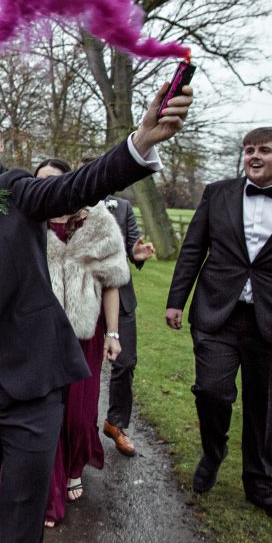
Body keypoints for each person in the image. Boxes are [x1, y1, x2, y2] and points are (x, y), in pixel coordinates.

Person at [0, 81, 192, 543]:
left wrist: (140, 142)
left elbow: (74, 187)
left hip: (32, 385)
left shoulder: (0, 197)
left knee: (23, 513)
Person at [166, 127, 272, 528]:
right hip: (217, 314)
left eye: (264, 150)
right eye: (248, 150)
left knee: (264, 404)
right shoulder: (218, 193)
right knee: (211, 390)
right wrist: (176, 300)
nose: (254, 157)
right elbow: (193, 248)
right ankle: (213, 452)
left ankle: (260, 485)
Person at [32, 157, 129, 527]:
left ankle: (75, 466)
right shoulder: (29, 222)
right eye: (39, 181)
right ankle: (49, 483)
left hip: (84, 335)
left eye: (54, 180)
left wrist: (114, 333)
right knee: (45, 414)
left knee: (78, 413)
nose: (46, 187)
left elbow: (112, 281)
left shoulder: (98, 221)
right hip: (39, 337)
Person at [78, 156, 157, 455]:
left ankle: (116, 423)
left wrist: (136, 252)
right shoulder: (68, 204)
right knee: (81, 368)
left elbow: (132, 246)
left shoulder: (122, 207)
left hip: (119, 297)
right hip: (81, 297)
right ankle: (78, 427)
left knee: (125, 363)